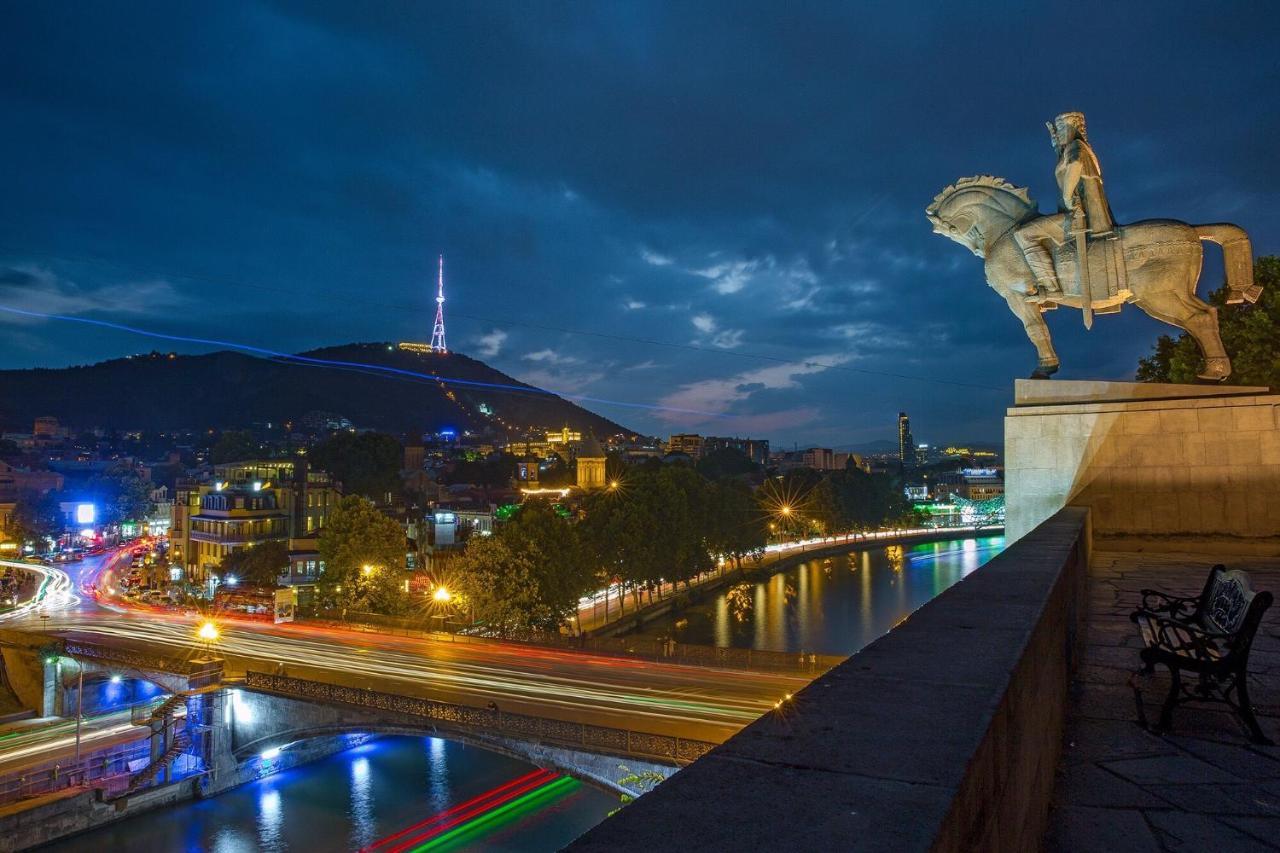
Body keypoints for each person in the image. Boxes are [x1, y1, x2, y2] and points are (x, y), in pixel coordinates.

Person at [1015, 112, 1115, 303]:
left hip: (1078, 215)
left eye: (1061, 129)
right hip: (1077, 214)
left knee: (1024, 235)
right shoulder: (1074, 148)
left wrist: (1068, 196)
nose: (1058, 134)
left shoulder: (1076, 148)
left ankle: (1052, 288)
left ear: (1073, 128)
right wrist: (1058, 147)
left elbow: (1075, 164)